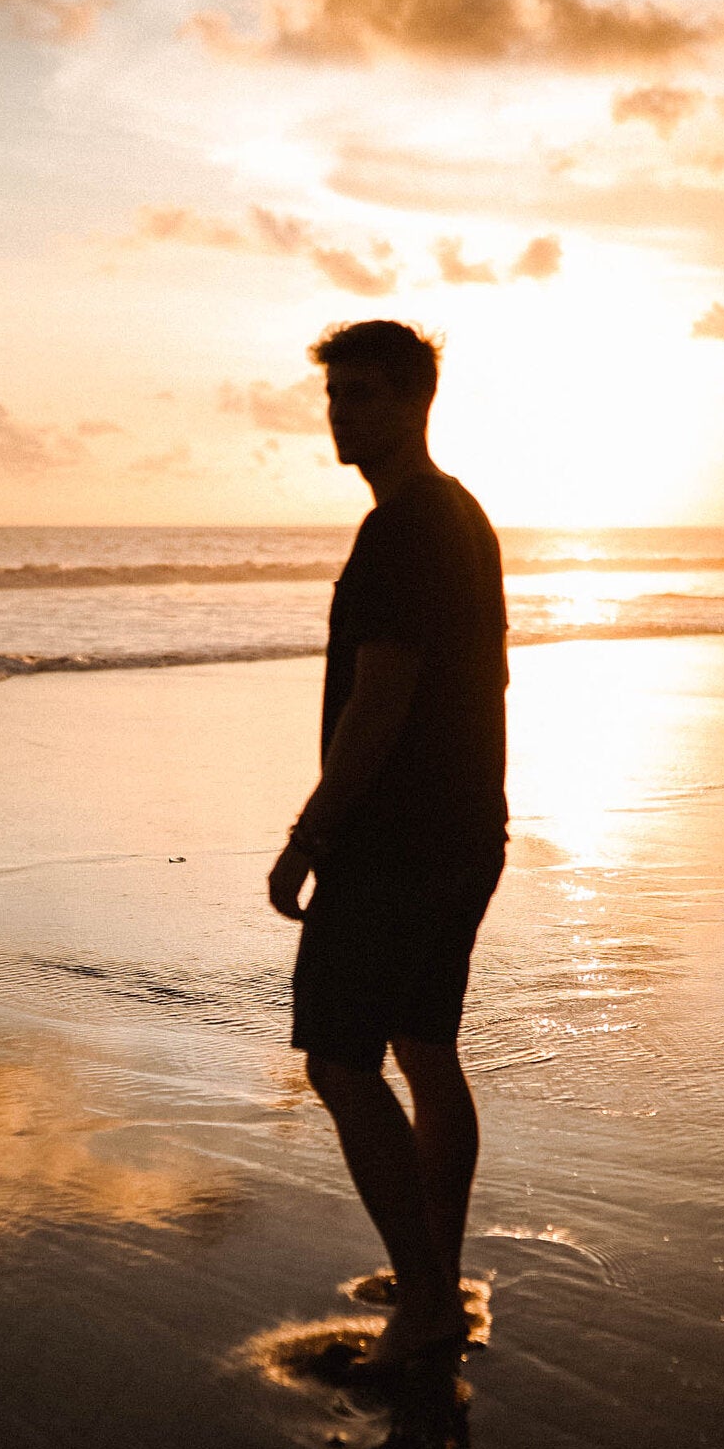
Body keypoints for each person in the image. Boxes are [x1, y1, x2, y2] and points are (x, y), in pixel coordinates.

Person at [267, 320, 508, 1372]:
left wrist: (307, 836)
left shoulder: (402, 531)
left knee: (339, 1059)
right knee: (422, 1046)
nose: (341, 413)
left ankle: (423, 1304)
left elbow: (381, 701)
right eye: (334, 395)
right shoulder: (461, 517)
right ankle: (436, 1275)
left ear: (414, 402)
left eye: (362, 395)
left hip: (398, 847)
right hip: (464, 832)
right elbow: (486, 681)